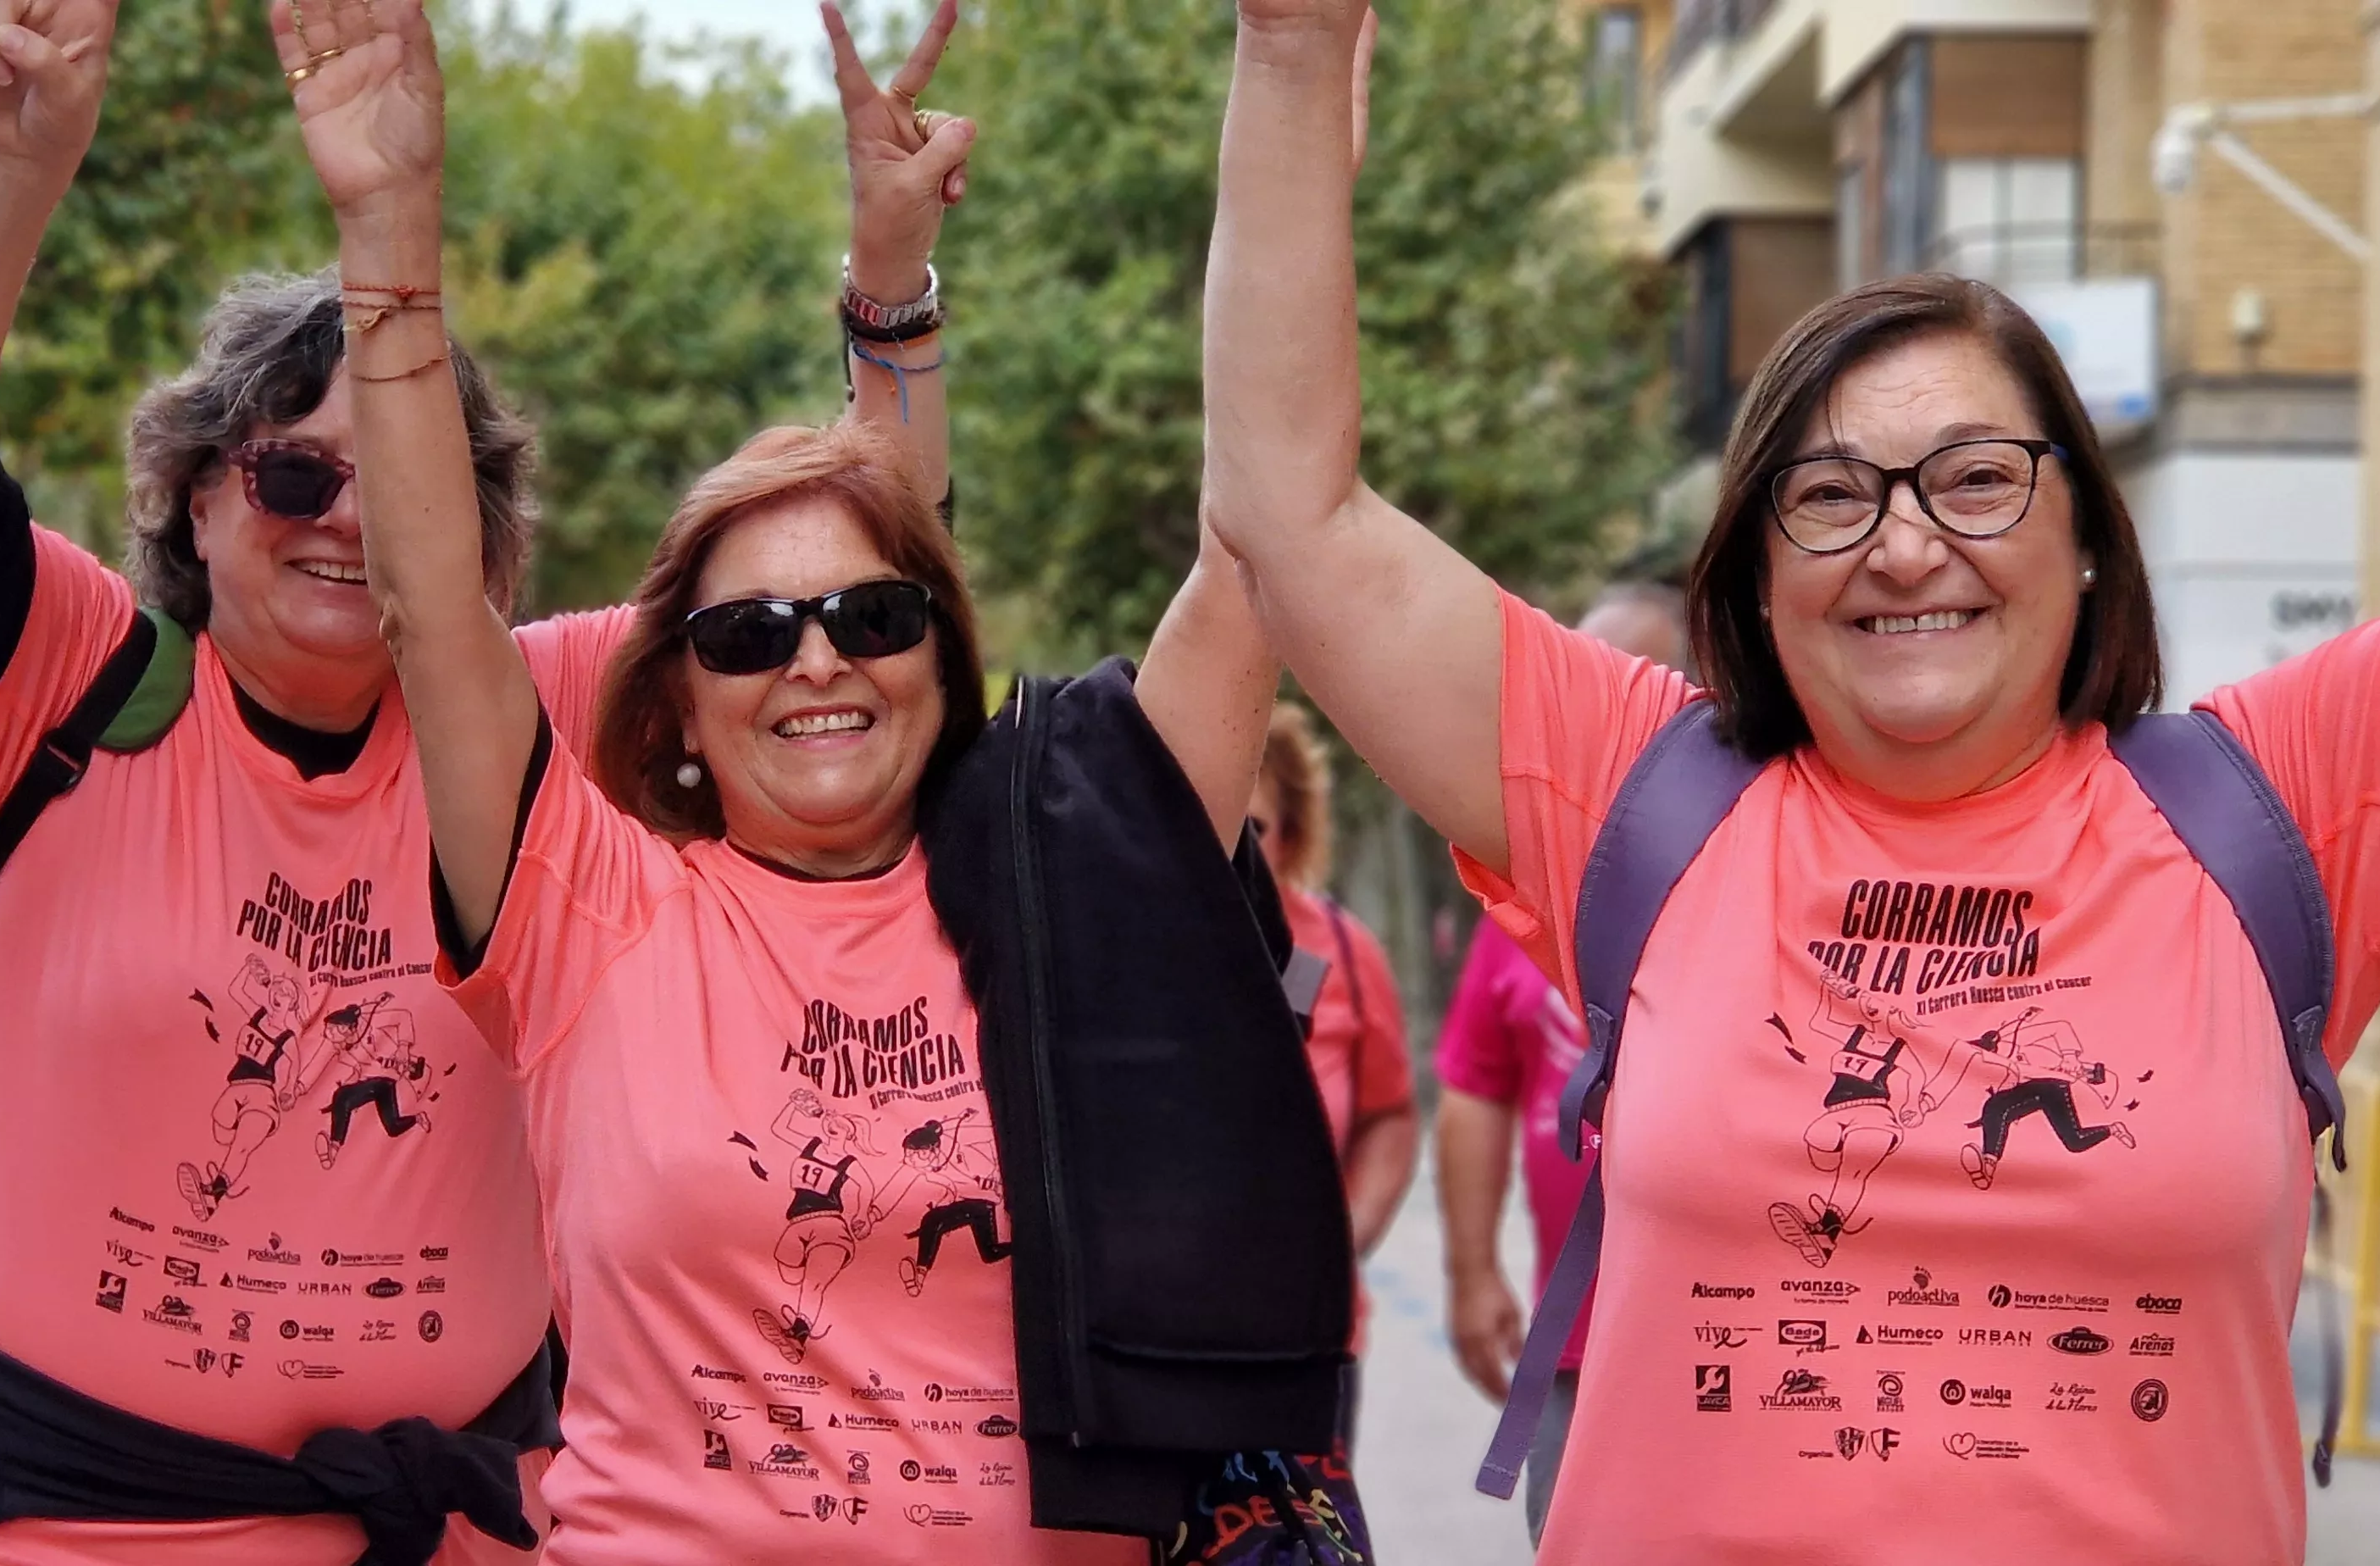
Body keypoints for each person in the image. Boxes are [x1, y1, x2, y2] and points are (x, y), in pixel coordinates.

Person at [1204, 3, 2380, 1552]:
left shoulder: (2272, 810)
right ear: (1759, 571)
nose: (1907, 540)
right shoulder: (1639, 799)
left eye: (1979, 476)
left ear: (2085, 539)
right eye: (1830, 494)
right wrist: (1293, 48)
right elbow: (1291, 515)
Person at [0, 0, 959, 1559]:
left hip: (446, 1523)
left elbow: (855, 592)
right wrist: (21, 159)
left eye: (401, 479)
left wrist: (892, 291)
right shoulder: (70, 681)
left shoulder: (550, 719)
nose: (346, 523)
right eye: (295, 474)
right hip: (57, 1520)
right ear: (198, 502)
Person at [315, 0, 1328, 1557]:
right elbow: (433, 610)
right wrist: (388, 249)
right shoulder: (590, 910)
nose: (817, 662)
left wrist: (1298, 71)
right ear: (672, 707)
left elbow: (1268, 523)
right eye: (744, 632)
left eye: (873, 616)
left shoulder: (1081, 875)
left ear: (940, 653)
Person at [1430, 579, 1685, 1543]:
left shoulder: (1745, 864)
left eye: (1622, 686)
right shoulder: (1532, 881)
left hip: (1737, 1360)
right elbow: (1476, 1081)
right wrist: (1467, 1270)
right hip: (1577, 1350)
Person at [1243, 703, 1417, 1314]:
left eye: (1251, 828)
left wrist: (1344, 1245)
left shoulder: (1341, 952)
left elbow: (1389, 1116)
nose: (1222, 845)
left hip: (1307, 1331)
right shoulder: (1119, 944)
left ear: (1290, 837)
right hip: (1152, 1341)